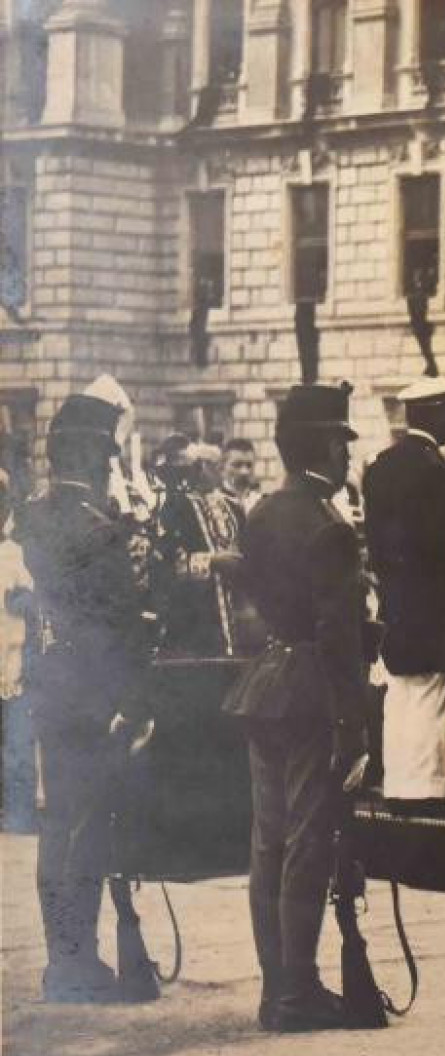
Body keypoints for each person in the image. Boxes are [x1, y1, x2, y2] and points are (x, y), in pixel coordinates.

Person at [222, 383, 371, 1032]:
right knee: (308, 841)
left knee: (269, 841)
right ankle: (299, 992)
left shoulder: (261, 512)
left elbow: (257, 604)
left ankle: (275, 986)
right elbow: (341, 637)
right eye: (341, 441)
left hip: (266, 684)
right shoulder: (327, 525)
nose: (346, 454)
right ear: (320, 446)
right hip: (313, 691)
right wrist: (355, 726)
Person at [18, 393, 156, 1002]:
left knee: (59, 825)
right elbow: (124, 623)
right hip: (97, 696)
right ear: (100, 455)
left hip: (47, 688)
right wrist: (135, 700)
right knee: (92, 823)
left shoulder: (31, 517)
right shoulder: (100, 531)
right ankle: (80, 962)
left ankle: (62, 957)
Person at [363, 377, 445, 801]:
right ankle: (428, 797)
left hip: (396, 609)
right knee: (433, 713)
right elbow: (444, 548)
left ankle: (399, 790)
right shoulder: (435, 470)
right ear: (434, 413)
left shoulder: (380, 466)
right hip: (432, 615)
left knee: (400, 706)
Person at [151, 437, 245, 657]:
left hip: (238, 618)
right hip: (195, 620)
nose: (205, 470)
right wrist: (212, 562)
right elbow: (164, 565)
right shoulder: (175, 507)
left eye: (213, 465)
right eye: (200, 465)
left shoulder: (233, 507)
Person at [0, 469, 38, 833]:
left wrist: (22, 599)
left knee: (17, 744)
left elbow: (33, 597)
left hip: (11, 659)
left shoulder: (14, 553)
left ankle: (19, 813)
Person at [222, 438, 262, 514]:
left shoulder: (261, 503)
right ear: (222, 467)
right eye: (237, 465)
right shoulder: (211, 504)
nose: (244, 472)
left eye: (249, 465)